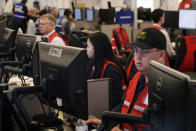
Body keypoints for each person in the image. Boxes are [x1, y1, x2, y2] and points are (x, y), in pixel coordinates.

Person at [86, 28, 167, 131]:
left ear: (161, 54)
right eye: (136, 50)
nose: (137, 56)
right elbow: (123, 105)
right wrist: (105, 121)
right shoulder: (137, 77)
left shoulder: (168, 89)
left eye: (144, 51)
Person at [86, 32, 127, 108]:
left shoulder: (110, 70)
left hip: (108, 112)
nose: (86, 49)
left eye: (88, 46)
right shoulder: (93, 64)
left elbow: (117, 99)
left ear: (96, 48)